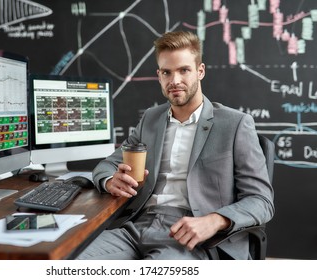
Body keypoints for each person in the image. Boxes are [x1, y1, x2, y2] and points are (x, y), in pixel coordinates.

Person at [77, 31, 274, 260]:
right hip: (135, 227)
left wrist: (215, 220)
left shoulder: (235, 124)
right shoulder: (150, 119)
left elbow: (261, 202)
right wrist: (110, 180)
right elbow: (107, 165)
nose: (175, 81)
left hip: (192, 236)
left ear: (200, 71)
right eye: (166, 72)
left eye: (184, 70)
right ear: (159, 75)